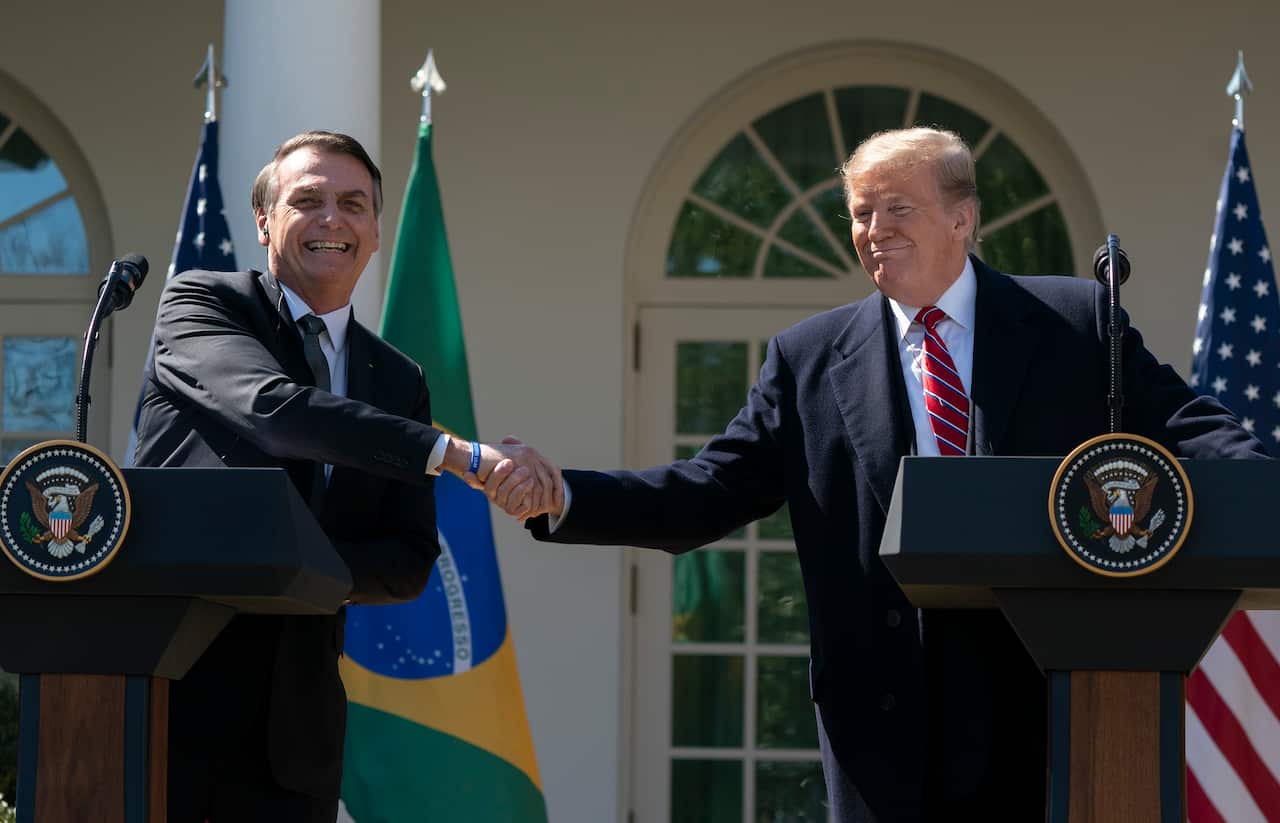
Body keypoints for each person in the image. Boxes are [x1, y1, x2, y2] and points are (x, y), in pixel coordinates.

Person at [480, 128, 1266, 820]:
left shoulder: (1073, 321)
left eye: (897, 208)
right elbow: (707, 492)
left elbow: (1192, 427)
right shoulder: (808, 358)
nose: (872, 230)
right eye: (860, 212)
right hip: (884, 728)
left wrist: (1265, 489)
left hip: (1048, 703)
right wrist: (568, 493)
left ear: (962, 218)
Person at [134, 130, 559, 822]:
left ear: (376, 232)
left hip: (297, 737)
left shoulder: (397, 378)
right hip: (171, 704)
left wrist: (279, 565)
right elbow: (273, 411)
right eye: (308, 200)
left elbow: (407, 561)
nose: (333, 219)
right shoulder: (201, 307)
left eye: (354, 204)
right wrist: (462, 455)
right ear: (264, 220)